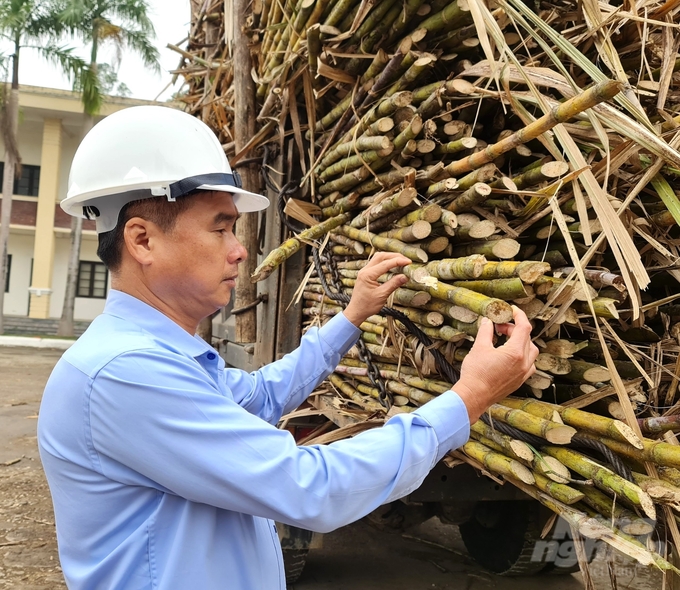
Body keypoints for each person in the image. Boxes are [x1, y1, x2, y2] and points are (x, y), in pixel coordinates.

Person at [38, 105, 539, 590]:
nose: (239, 249)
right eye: (220, 227)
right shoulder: (125, 374)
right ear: (142, 241)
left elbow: (258, 396)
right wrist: (469, 397)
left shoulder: (158, 356)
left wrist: (352, 316)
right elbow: (311, 487)